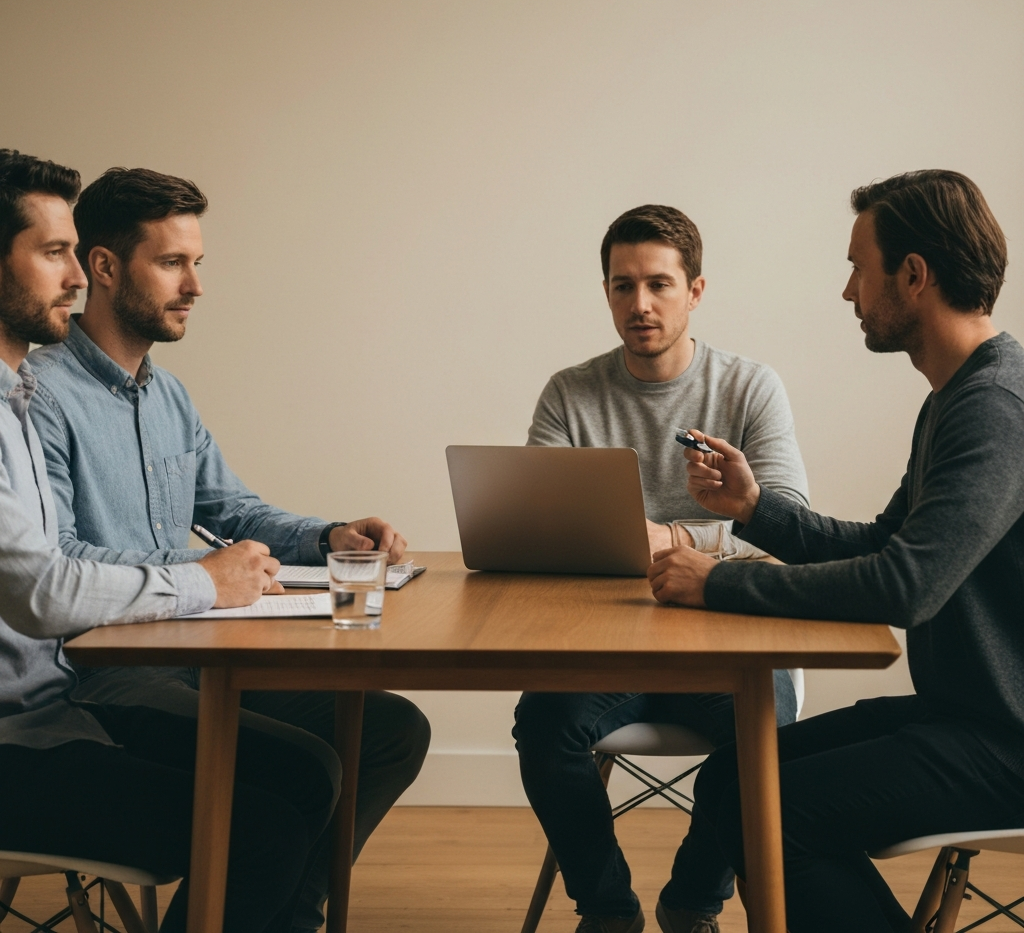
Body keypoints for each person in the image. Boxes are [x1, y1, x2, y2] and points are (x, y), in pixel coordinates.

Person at [26, 166, 430, 932]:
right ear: (105, 267)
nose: (195, 286)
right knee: (303, 773)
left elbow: (227, 507)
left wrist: (328, 534)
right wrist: (203, 576)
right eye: (173, 263)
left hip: (194, 652)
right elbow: (56, 559)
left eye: (197, 264)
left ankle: (284, 917)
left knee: (390, 730)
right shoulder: (39, 396)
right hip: (102, 675)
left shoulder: (168, 394)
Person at [649, 170, 1024, 933]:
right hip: (964, 714)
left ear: (913, 276)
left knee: (775, 813)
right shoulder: (955, 398)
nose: (848, 292)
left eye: (859, 266)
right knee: (732, 781)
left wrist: (718, 584)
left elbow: (906, 585)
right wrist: (756, 509)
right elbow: (888, 543)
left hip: (1006, 738)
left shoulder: (996, 408)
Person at [515, 204, 810, 933]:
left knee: (765, 726)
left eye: (657, 284)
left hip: (727, 635)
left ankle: (692, 903)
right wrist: (691, 536)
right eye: (621, 286)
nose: (638, 305)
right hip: (602, 640)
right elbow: (539, 529)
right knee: (543, 724)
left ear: (696, 290)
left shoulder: (749, 388)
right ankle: (609, 910)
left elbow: (788, 525)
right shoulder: (569, 394)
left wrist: (665, 537)